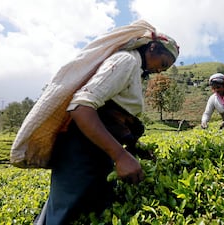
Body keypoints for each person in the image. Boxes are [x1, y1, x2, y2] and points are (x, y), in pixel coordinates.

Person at [30, 20, 179, 224]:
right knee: (64, 213)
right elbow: (81, 107)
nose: (160, 71)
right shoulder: (126, 61)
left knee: (87, 210)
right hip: (81, 150)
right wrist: (120, 155)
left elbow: (112, 115)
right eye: (162, 64)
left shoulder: (135, 68)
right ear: (152, 48)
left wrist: (132, 147)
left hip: (98, 150)